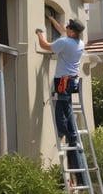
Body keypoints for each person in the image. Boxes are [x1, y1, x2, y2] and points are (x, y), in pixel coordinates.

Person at [35, 16, 86, 186]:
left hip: (63, 80)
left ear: (73, 31)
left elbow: (45, 46)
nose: (66, 27)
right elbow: (64, 33)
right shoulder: (79, 42)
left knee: (64, 108)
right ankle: (68, 134)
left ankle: (66, 134)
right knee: (66, 107)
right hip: (73, 80)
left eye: (69, 27)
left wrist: (40, 33)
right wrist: (53, 20)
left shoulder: (65, 42)